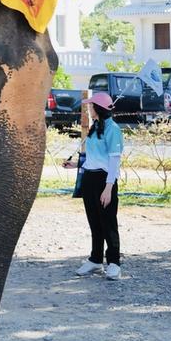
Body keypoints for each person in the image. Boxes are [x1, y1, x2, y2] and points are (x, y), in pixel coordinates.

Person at [63, 92, 123, 280]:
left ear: (98, 108)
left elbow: (114, 161)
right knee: (94, 222)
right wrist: (76, 165)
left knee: (108, 223)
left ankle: (114, 263)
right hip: (89, 178)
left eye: (91, 106)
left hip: (105, 181)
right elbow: (94, 158)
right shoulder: (95, 126)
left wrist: (108, 187)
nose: (89, 109)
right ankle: (96, 260)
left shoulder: (113, 130)